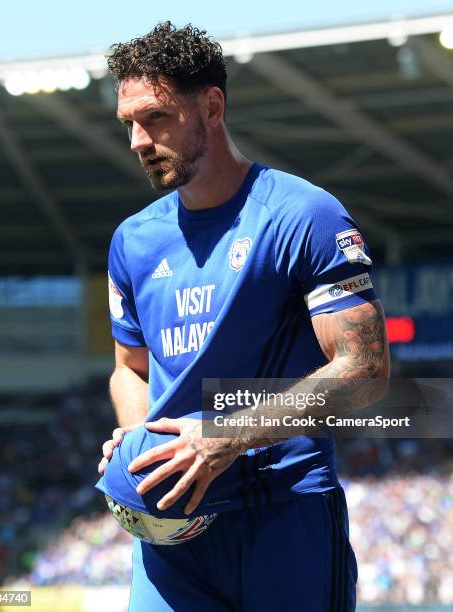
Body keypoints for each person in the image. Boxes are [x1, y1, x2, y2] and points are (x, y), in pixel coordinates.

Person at [96, 21, 390, 611]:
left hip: (285, 514)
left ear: (211, 106)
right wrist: (137, 438)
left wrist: (226, 435)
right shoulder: (132, 241)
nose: (136, 140)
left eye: (155, 117)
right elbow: (129, 369)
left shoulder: (304, 216)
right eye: (128, 123)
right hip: (172, 533)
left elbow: (367, 370)